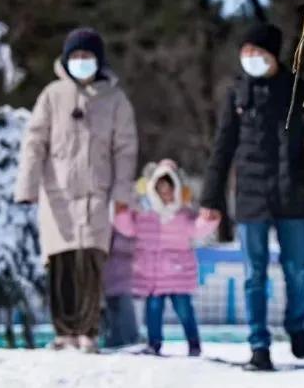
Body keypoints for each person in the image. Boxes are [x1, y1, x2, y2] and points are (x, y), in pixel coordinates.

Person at [14, 28, 138, 353]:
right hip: (58, 195)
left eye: (87, 57)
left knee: (91, 263)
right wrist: (27, 185)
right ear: (66, 60)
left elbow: (125, 149)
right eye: (76, 57)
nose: (81, 62)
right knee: (60, 264)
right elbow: (34, 141)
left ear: (99, 61)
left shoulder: (115, 99)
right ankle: (63, 332)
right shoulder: (52, 95)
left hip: (97, 194)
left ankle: (88, 332)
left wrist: (123, 195)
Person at [200, 23, 304, 371]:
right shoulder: (237, 95)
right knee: (254, 274)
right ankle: (258, 345)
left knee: (296, 269)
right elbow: (222, 150)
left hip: (291, 194)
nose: (250, 59)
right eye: (245, 52)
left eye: (258, 53)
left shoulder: (300, 92)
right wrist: (211, 198)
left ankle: (295, 325)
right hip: (250, 197)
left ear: (272, 56)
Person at [122, 159, 217, 356]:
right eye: (160, 190)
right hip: (153, 276)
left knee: (184, 310)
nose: (165, 194)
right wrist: (120, 214)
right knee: (153, 310)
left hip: (177, 274)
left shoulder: (183, 215)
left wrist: (210, 220)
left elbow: (197, 229)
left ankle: (193, 343)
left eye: (168, 189)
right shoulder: (145, 216)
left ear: (176, 189)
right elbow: (128, 228)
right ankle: (154, 343)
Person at [102, 207, 140, 349]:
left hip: (122, 280)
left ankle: (127, 340)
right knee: (112, 314)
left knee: (122, 312)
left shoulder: (130, 221)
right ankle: (115, 340)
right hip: (107, 279)